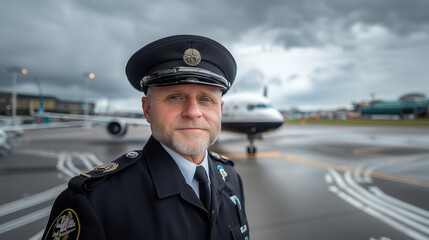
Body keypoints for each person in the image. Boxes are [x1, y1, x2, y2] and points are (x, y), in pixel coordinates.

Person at [42, 35, 249, 240]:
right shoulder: (94, 202)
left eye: (206, 99)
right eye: (175, 97)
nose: (193, 112)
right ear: (148, 109)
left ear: (220, 110)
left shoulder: (231, 178)